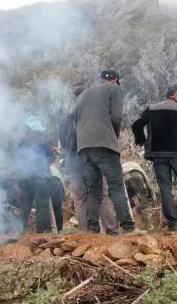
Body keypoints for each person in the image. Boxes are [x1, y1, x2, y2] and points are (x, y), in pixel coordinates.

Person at [131, 85, 177, 231]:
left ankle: (172, 223)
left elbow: (136, 125)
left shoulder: (151, 108)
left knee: (165, 188)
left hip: (158, 154)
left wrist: (141, 139)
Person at [74, 69, 135, 233]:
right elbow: (116, 117)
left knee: (93, 190)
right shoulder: (114, 89)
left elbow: (75, 118)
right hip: (104, 145)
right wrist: (113, 137)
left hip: (84, 148)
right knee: (116, 186)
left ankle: (93, 228)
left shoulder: (82, 95)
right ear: (115, 80)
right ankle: (128, 227)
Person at [58, 84, 118, 233]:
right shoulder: (95, 116)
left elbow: (63, 145)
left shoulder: (65, 120)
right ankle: (111, 230)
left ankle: (87, 233)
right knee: (102, 197)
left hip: (73, 165)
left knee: (80, 200)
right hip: (93, 161)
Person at [14, 115, 54, 234]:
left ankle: (19, 232)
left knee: (25, 205)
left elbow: (16, 161)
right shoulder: (42, 141)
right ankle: (44, 232)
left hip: (24, 178)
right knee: (42, 205)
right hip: (40, 177)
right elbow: (51, 157)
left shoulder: (21, 142)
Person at [122, 162, 154, 231]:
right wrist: (150, 198)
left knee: (125, 201)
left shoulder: (124, 166)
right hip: (136, 174)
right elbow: (148, 187)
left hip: (123, 176)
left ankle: (126, 227)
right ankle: (148, 226)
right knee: (144, 200)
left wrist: (132, 206)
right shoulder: (138, 170)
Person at [49, 164, 66, 232]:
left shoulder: (40, 169)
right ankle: (59, 229)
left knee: (49, 209)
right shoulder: (54, 168)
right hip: (58, 185)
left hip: (51, 183)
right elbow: (62, 181)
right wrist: (63, 194)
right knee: (58, 209)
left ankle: (52, 230)